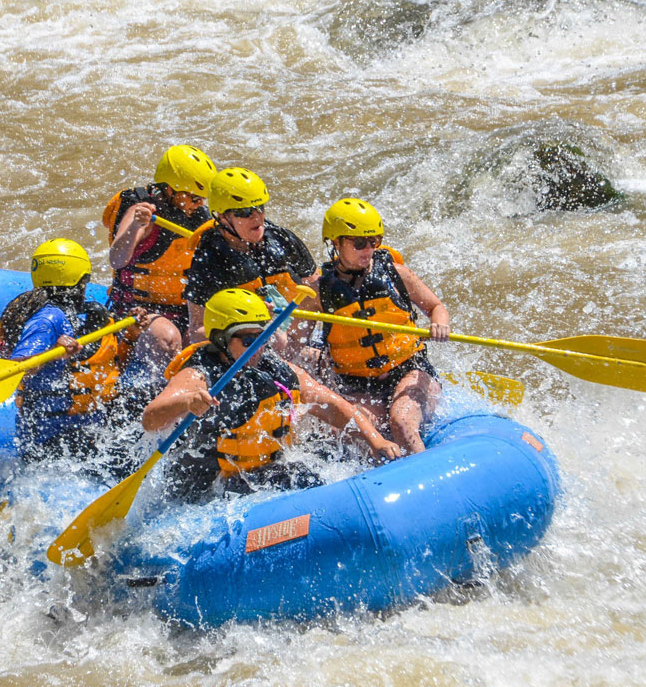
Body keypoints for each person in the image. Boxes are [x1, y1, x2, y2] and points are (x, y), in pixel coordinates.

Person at [142, 289, 402, 502]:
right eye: (247, 341)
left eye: (262, 337)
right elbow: (150, 418)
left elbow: (331, 405)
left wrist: (376, 440)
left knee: (319, 471)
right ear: (221, 338)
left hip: (263, 472)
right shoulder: (198, 375)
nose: (257, 347)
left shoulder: (277, 369)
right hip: (210, 488)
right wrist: (187, 401)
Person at [0, 239, 162, 464]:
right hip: (51, 439)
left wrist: (131, 336)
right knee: (128, 459)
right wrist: (54, 350)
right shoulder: (48, 319)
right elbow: (16, 368)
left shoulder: (86, 316)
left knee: (153, 397)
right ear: (82, 279)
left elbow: (109, 373)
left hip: (89, 426)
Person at [314, 198, 449, 454]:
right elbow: (292, 340)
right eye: (359, 242)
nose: (368, 249)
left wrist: (439, 324)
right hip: (359, 383)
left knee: (401, 422)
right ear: (336, 242)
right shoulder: (319, 291)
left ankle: (426, 478)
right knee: (353, 432)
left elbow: (435, 307)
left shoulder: (397, 274)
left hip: (409, 370)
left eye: (374, 241)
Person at [182, 167, 320, 354]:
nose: (257, 217)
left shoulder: (282, 239)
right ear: (222, 217)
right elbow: (197, 330)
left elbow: (317, 292)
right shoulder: (210, 259)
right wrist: (245, 322)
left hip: (293, 341)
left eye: (259, 208)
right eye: (245, 212)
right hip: (248, 346)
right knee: (276, 339)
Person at [104, 144, 217, 345]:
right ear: (170, 189)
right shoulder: (141, 210)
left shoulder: (199, 216)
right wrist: (136, 226)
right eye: (194, 198)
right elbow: (116, 260)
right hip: (138, 311)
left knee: (215, 338)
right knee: (167, 337)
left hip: (185, 311)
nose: (200, 204)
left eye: (202, 199)